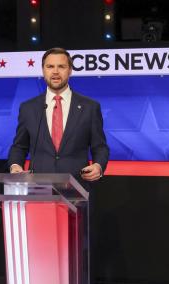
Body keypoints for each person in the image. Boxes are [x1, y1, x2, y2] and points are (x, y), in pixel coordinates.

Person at [7, 47, 109, 184]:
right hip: (37, 189)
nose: (55, 71)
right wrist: (15, 166)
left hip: (77, 188)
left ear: (70, 70)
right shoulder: (28, 108)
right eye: (50, 66)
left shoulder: (90, 107)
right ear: (43, 71)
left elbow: (100, 147)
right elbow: (19, 146)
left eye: (61, 66)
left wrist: (98, 166)